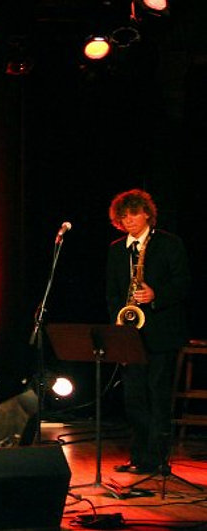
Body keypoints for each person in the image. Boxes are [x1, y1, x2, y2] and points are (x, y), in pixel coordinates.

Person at [106, 188, 190, 474]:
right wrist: (118, 323)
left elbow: (183, 284)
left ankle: (157, 459)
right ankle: (139, 457)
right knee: (134, 398)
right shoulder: (116, 249)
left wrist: (156, 296)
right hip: (129, 336)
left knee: (158, 396)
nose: (128, 220)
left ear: (147, 215)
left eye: (133, 214)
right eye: (123, 216)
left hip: (161, 334)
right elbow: (111, 292)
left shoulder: (169, 244)